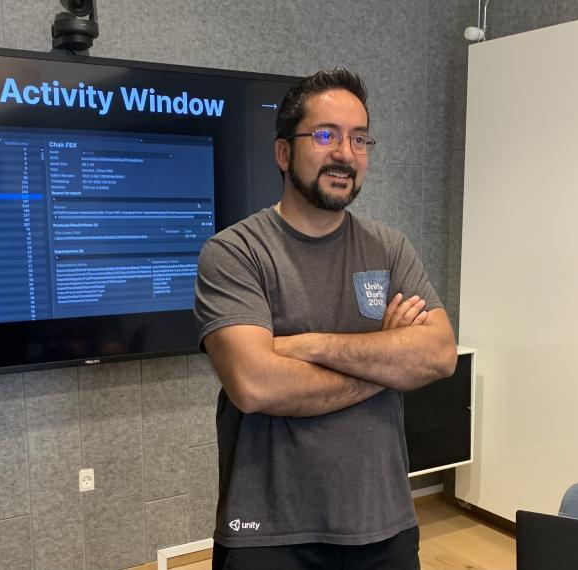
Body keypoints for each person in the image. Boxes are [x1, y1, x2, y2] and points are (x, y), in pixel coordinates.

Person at [193, 67, 458, 570]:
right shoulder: (234, 253)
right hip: (268, 532)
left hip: (383, 522)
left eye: (359, 139)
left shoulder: (389, 248)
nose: (345, 153)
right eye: (325, 135)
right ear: (283, 152)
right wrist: (384, 357)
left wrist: (307, 345)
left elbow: (440, 355)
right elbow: (255, 385)